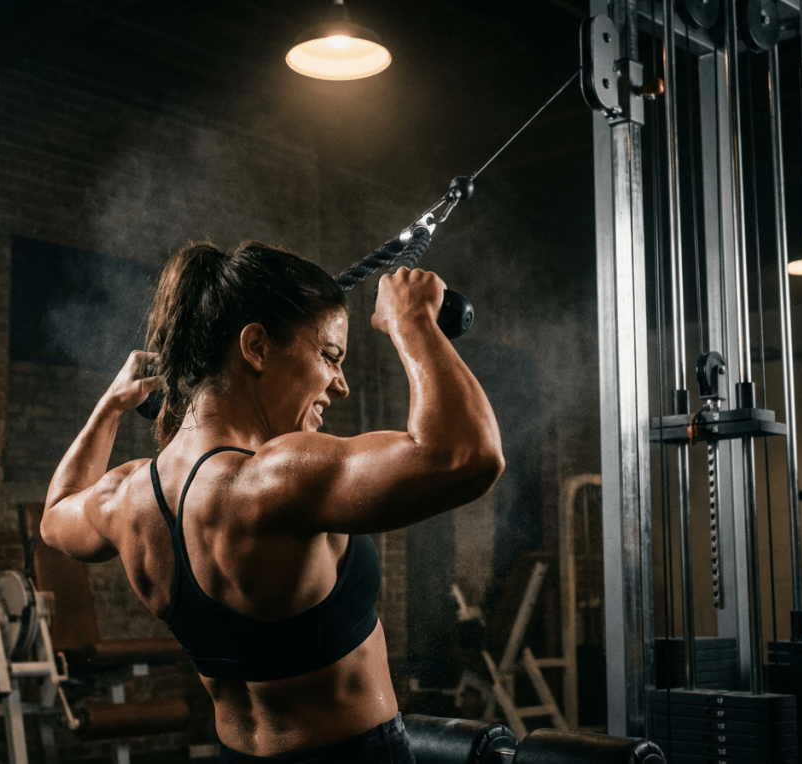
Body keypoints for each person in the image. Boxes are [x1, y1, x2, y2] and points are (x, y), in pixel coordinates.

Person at [41, 240, 504, 763]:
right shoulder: (274, 478)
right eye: (329, 356)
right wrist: (413, 321)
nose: (341, 385)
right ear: (257, 347)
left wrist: (111, 406)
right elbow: (467, 455)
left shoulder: (127, 497)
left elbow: (57, 515)